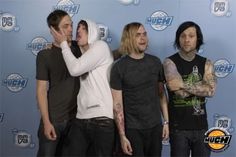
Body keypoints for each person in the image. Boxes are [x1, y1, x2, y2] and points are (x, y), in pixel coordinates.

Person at [50, 19, 115, 156]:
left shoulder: (100, 46)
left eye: (83, 28)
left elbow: (74, 69)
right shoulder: (82, 55)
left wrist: (62, 43)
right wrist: (54, 45)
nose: (78, 31)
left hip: (102, 120)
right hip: (81, 118)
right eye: (77, 28)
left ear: (93, 31)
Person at [110, 22, 169, 157]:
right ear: (129, 39)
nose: (143, 38)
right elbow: (117, 105)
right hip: (133, 130)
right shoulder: (119, 68)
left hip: (155, 127)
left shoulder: (155, 62)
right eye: (138, 35)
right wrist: (122, 135)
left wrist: (166, 122)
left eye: (144, 34)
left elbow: (161, 95)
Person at [163, 21, 217, 157]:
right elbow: (179, 93)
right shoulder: (169, 62)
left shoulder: (206, 63)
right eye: (183, 36)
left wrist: (182, 84)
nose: (187, 40)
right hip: (178, 128)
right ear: (178, 39)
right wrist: (200, 87)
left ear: (197, 39)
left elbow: (211, 90)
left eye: (191, 36)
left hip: (201, 127)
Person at [36, 9, 81, 157]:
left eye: (71, 25)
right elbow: (41, 90)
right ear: (53, 30)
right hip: (54, 121)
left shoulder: (79, 48)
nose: (70, 29)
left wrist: (123, 49)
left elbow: (104, 55)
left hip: (75, 121)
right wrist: (47, 122)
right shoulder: (45, 55)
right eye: (65, 26)